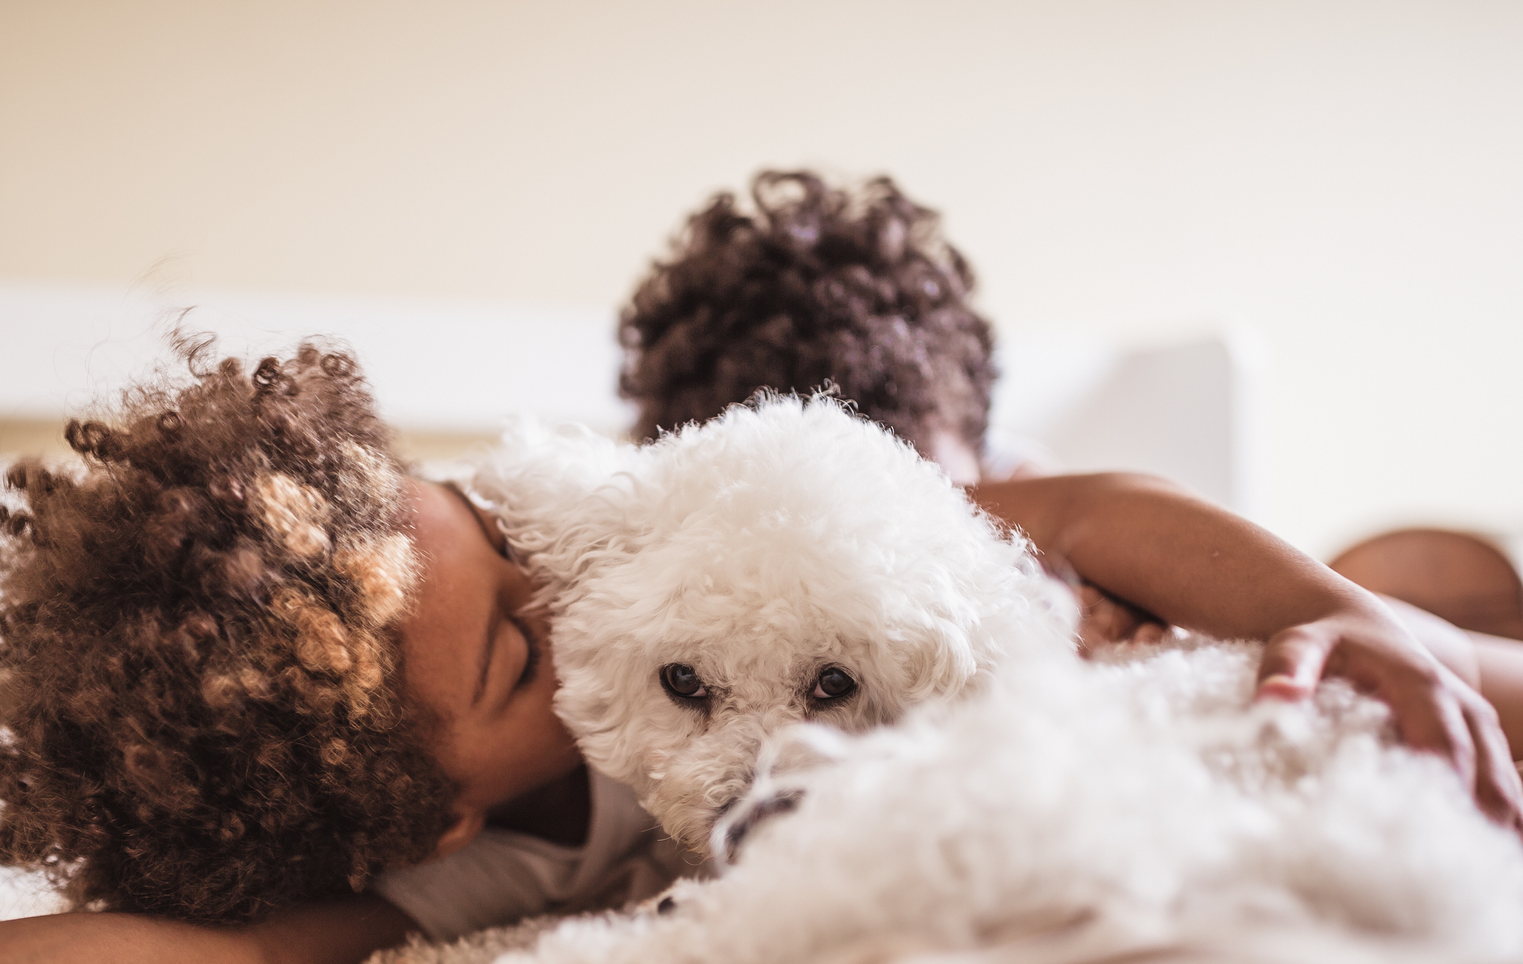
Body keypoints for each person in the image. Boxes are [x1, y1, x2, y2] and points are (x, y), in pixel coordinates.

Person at [0, 341, 1523, 964]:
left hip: (1167, 642)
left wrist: (1357, 623)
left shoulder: (658, 517)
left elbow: (1080, 507)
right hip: (1120, 787)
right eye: (517, 654)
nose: (565, 591)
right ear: (398, 817)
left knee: (1461, 650)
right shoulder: (453, 876)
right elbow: (207, 960)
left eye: (492, 536)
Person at [619, 169, 1523, 747]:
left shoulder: (1092, 581)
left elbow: (1098, 511)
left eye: (937, 513)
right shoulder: (654, 634)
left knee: (1413, 662)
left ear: (1010, 486)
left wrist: (1340, 616)